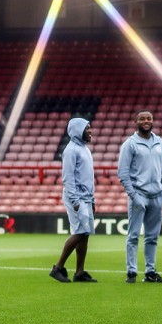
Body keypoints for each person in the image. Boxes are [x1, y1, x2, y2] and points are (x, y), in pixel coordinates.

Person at [117, 109, 162, 284]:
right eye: (142, 119)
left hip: (157, 196)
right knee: (133, 236)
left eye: (149, 118)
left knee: (152, 237)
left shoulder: (160, 142)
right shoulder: (130, 144)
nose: (146, 121)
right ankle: (131, 272)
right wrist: (133, 195)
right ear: (136, 122)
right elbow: (123, 173)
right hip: (138, 195)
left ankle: (150, 271)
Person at [50, 118, 97, 283]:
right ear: (78, 130)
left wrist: (92, 199)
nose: (91, 131)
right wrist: (75, 200)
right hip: (76, 197)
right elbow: (67, 178)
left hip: (86, 198)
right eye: (87, 128)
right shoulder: (71, 150)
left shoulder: (85, 149)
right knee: (80, 232)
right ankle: (58, 268)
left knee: (85, 235)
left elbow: (88, 177)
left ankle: (79, 272)